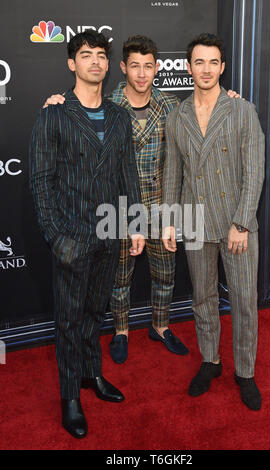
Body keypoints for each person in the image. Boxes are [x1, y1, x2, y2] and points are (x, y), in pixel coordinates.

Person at [43, 35, 240, 365]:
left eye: (148, 66)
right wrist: (56, 103)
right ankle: (121, 331)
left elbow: (201, 124)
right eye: (134, 65)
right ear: (122, 67)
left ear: (157, 68)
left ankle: (161, 326)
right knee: (119, 278)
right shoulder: (106, 107)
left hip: (165, 205)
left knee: (166, 273)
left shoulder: (172, 106)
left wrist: (230, 98)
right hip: (118, 208)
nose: (141, 73)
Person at [30, 30, 145, 439]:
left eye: (100, 55)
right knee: (68, 319)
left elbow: (127, 172)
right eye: (85, 55)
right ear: (71, 63)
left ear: (107, 64)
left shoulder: (118, 116)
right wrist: (57, 238)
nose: (94, 62)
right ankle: (69, 397)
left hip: (110, 234)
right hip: (72, 238)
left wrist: (134, 224)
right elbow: (41, 182)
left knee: (96, 311)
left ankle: (91, 376)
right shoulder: (54, 114)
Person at [162, 33, 265, 411]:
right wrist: (170, 221)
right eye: (199, 62)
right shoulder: (177, 116)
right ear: (188, 67)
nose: (206, 70)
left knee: (243, 301)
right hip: (194, 220)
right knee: (202, 297)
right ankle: (210, 360)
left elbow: (255, 170)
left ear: (222, 67)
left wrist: (242, 221)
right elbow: (172, 172)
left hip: (235, 223)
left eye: (213, 62)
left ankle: (246, 372)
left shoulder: (242, 110)